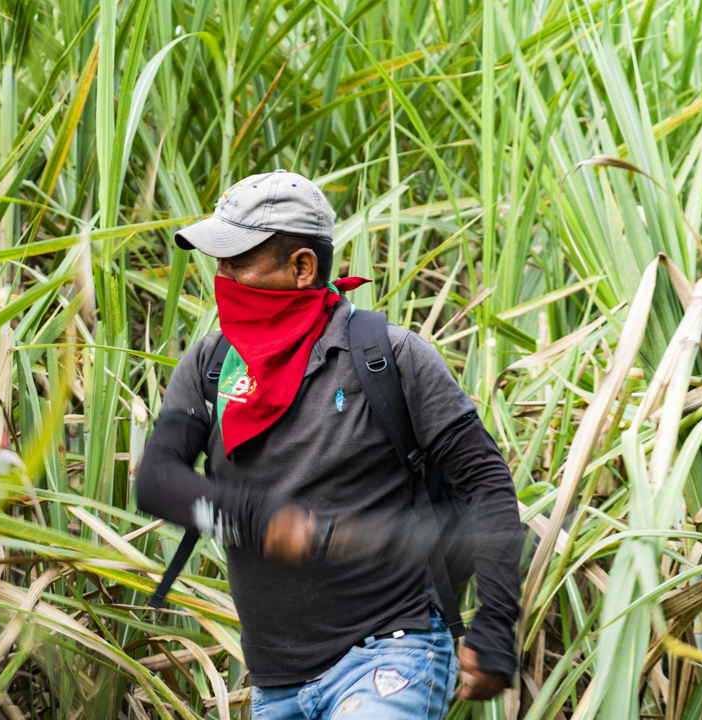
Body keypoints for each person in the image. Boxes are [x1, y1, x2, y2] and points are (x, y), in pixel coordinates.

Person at [136, 169, 522, 719]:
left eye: (239, 261)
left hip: (392, 650)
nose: (223, 276)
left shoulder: (388, 357)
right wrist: (257, 518)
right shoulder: (210, 364)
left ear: (302, 268)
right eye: (218, 262)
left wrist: (495, 623)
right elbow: (156, 482)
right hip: (276, 681)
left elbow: (487, 483)